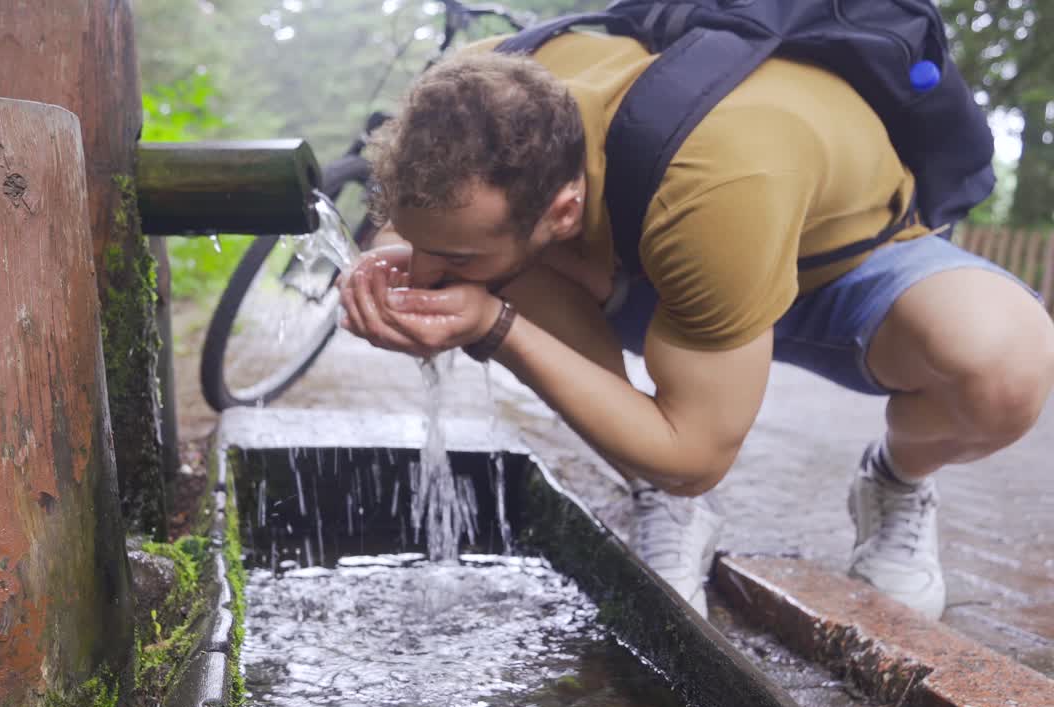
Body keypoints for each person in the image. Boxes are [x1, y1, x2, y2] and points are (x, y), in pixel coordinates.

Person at [336, 31, 1054, 620]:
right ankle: (658, 498)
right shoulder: (477, 88)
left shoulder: (714, 185)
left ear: (561, 208)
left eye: (448, 256)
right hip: (662, 256)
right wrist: (383, 262)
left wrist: (496, 326)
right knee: (503, 266)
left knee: (1006, 365)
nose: (428, 271)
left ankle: (895, 484)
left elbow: (696, 457)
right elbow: (402, 221)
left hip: (839, 267)